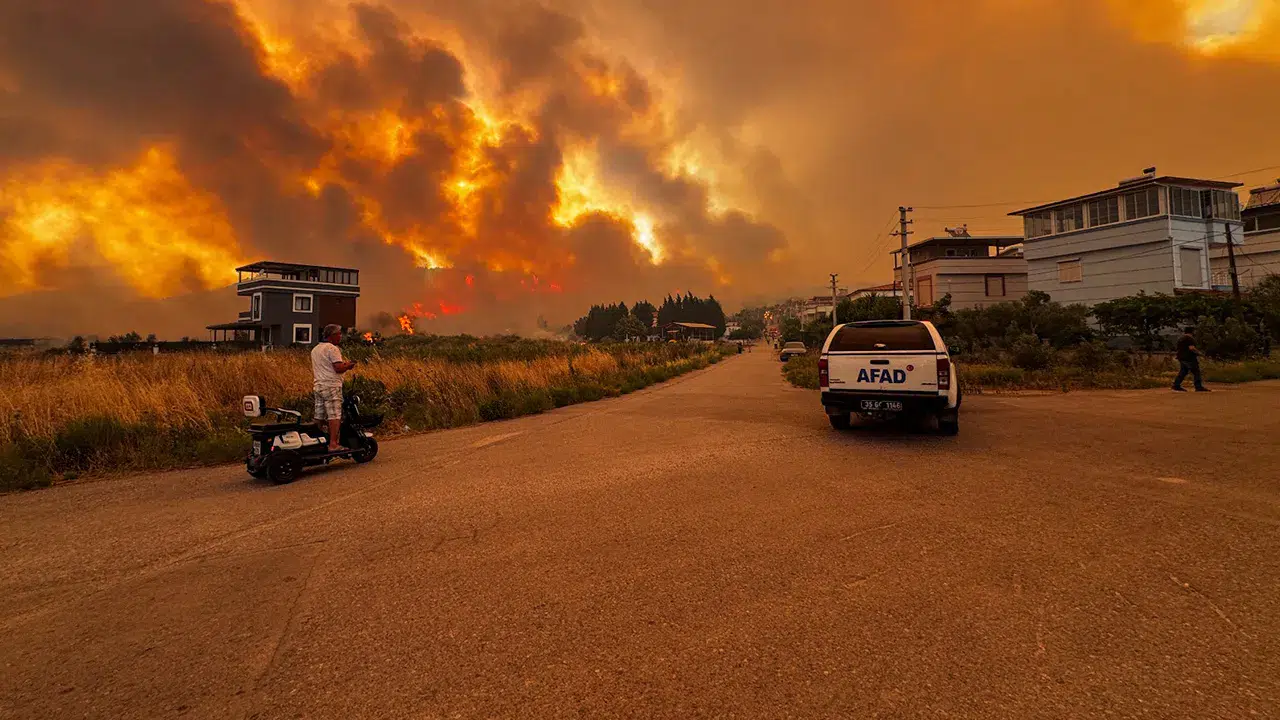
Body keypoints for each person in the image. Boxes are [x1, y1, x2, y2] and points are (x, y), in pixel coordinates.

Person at [311, 324, 357, 450]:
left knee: (319, 415)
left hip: (318, 385)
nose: (340, 336)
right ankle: (333, 444)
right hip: (331, 386)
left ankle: (316, 441)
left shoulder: (315, 349)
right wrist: (348, 365)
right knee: (334, 415)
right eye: (339, 334)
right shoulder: (332, 349)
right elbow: (338, 368)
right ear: (332, 335)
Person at [1173, 326, 1209, 393]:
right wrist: (1200, 353)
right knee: (1196, 371)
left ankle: (1176, 385)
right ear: (1192, 331)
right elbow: (1191, 348)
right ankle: (1198, 386)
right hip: (1189, 358)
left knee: (1183, 371)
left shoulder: (1181, 339)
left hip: (1181, 357)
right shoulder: (1189, 339)